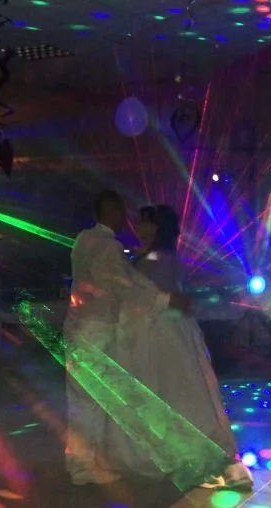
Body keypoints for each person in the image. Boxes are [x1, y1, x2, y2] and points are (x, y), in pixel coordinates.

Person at [107, 204, 254, 490]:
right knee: (179, 391)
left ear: (159, 228)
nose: (140, 227)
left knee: (168, 390)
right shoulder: (156, 256)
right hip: (168, 330)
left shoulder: (154, 259)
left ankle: (178, 452)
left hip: (160, 333)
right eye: (140, 222)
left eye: (147, 222)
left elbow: (148, 298)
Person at [64, 191, 190, 486]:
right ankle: (84, 468)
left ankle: (79, 462)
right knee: (93, 399)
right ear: (113, 212)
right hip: (97, 328)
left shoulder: (83, 238)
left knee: (79, 398)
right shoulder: (110, 246)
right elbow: (127, 286)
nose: (127, 220)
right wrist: (166, 300)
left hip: (76, 325)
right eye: (122, 212)